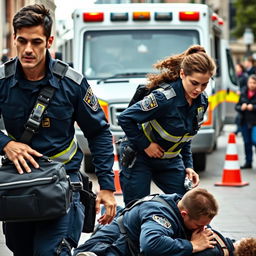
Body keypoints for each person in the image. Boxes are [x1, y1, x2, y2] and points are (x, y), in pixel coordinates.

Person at [0, 4, 116, 256]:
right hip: (19, 187)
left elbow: (99, 133)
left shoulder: (72, 83)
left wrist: (107, 187)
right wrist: (5, 144)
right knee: (22, 251)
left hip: (64, 185)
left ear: (49, 41)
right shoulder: (2, 81)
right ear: (14, 39)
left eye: (36, 42)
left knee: (52, 252)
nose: (28, 49)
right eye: (22, 41)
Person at [118, 45, 216, 205]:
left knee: (189, 206)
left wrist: (188, 166)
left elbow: (186, 135)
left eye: (204, 84)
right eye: (195, 83)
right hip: (140, 156)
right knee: (136, 209)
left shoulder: (201, 102)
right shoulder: (163, 98)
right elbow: (125, 118)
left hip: (169, 161)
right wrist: (146, 145)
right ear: (182, 74)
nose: (199, 89)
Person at [73, 187, 219, 256]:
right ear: (184, 214)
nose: (203, 228)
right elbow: (151, 244)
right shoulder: (160, 214)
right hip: (113, 243)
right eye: (199, 225)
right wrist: (192, 245)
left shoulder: (186, 206)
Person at [235, 74, 256, 169]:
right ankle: (248, 162)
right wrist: (241, 107)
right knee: (247, 142)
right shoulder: (243, 92)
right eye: (250, 82)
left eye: (254, 83)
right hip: (244, 122)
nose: (252, 85)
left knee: (254, 141)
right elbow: (237, 106)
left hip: (254, 123)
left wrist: (253, 107)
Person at [234, 63, 248, 135]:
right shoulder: (237, 76)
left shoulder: (244, 76)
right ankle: (239, 129)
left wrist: (241, 91)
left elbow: (246, 86)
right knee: (239, 114)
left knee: (240, 115)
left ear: (241, 68)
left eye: (237, 67)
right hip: (240, 97)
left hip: (243, 96)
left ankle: (239, 130)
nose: (236, 69)